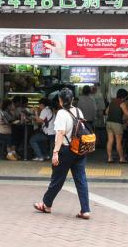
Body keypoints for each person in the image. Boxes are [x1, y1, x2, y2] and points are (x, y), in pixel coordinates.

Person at [34, 88, 91, 220]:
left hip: (66, 150)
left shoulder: (61, 114)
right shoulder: (78, 111)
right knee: (81, 179)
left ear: (60, 101)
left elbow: (60, 133)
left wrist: (55, 153)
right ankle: (85, 210)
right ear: (72, 99)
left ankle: (46, 204)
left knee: (57, 179)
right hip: (80, 149)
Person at [105, 88, 128, 163]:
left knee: (110, 141)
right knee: (118, 142)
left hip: (109, 123)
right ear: (124, 96)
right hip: (117, 123)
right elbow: (127, 114)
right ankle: (121, 158)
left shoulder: (112, 102)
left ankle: (109, 158)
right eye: (126, 97)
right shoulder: (122, 103)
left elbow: (106, 112)